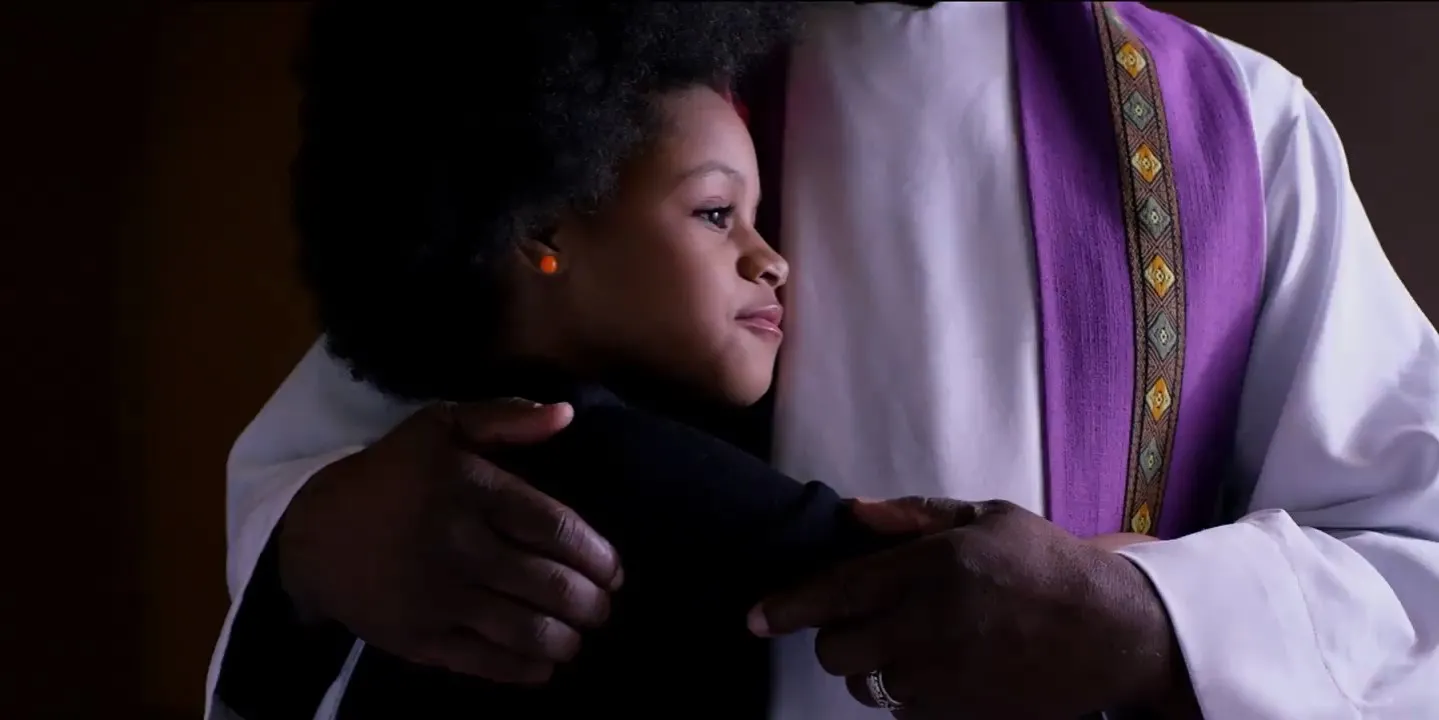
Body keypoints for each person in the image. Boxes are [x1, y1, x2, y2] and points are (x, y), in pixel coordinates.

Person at [208, 2, 1439, 719]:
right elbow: (336, 462)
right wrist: (319, 544)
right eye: (717, 219)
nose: (769, 263)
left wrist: (1145, 616)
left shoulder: (1232, 129)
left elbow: (1415, 555)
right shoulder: (585, 63)